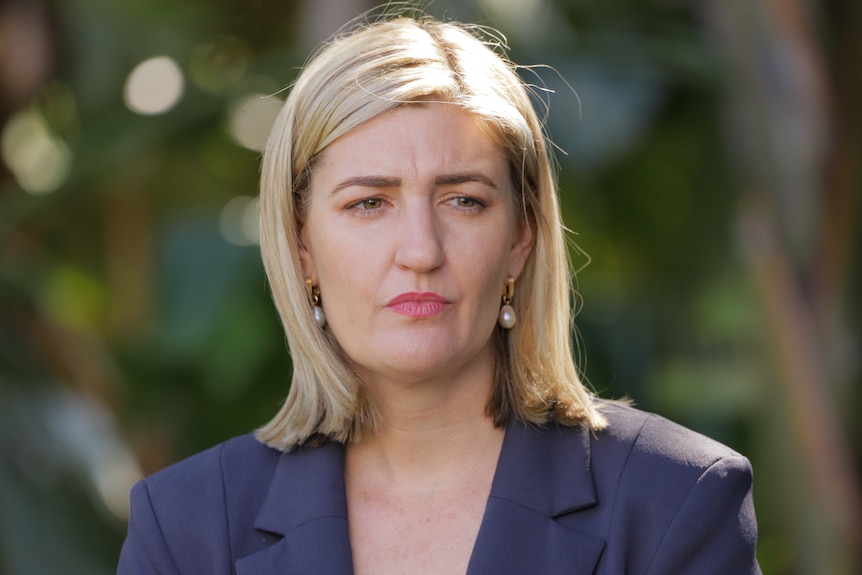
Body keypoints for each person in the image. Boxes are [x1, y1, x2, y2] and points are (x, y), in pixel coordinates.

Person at [117, 12, 761, 575]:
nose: (421, 250)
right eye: (370, 203)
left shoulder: (676, 498)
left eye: (464, 200)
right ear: (301, 244)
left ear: (520, 236)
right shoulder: (185, 525)